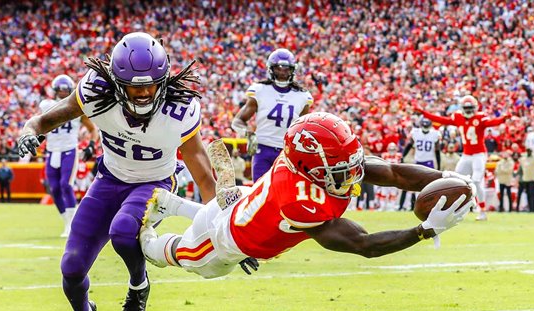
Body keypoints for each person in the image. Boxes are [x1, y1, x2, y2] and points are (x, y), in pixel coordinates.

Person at [17, 32, 216, 311]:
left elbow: (204, 175)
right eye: (135, 86)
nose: (144, 93)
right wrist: (29, 131)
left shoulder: (179, 109)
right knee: (71, 268)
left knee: (123, 230)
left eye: (151, 84)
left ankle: (139, 285)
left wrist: (225, 229)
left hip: (155, 183)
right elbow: (43, 120)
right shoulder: (96, 92)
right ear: (116, 81)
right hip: (109, 180)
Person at [139, 112, 474, 282]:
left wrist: (449, 178)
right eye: (341, 168)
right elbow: (364, 245)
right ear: (311, 170)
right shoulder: (299, 201)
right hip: (225, 238)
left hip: (245, 205)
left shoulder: (314, 166)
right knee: (185, 259)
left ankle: (174, 203)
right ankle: (144, 233)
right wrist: (426, 230)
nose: (352, 173)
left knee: (218, 205)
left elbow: (394, 173)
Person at [415, 95, 510, 221]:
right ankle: (455, 209)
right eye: (467, 108)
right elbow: (442, 120)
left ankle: (482, 211)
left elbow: (492, 122)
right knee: (455, 181)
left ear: (475, 108)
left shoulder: (480, 118)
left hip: (479, 154)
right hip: (466, 155)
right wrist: (423, 113)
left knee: (476, 181)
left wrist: (503, 118)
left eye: (470, 108)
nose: (469, 110)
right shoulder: (458, 117)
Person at [231, 48, 313, 181]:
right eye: (278, 68)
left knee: (284, 194)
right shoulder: (260, 90)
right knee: (259, 192)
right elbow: (237, 121)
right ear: (271, 69)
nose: (282, 73)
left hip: (287, 152)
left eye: (286, 69)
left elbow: (303, 128)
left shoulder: (303, 96)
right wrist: (249, 134)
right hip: (262, 149)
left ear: (292, 70)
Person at [39, 75, 98, 236]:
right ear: (55, 90)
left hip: (70, 150)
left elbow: (93, 129)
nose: (64, 93)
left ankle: (71, 225)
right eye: (61, 90)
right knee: (55, 188)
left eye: (66, 90)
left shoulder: (76, 108)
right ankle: (66, 222)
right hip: (52, 151)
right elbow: (39, 125)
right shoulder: (46, 105)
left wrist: (91, 145)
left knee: (66, 185)